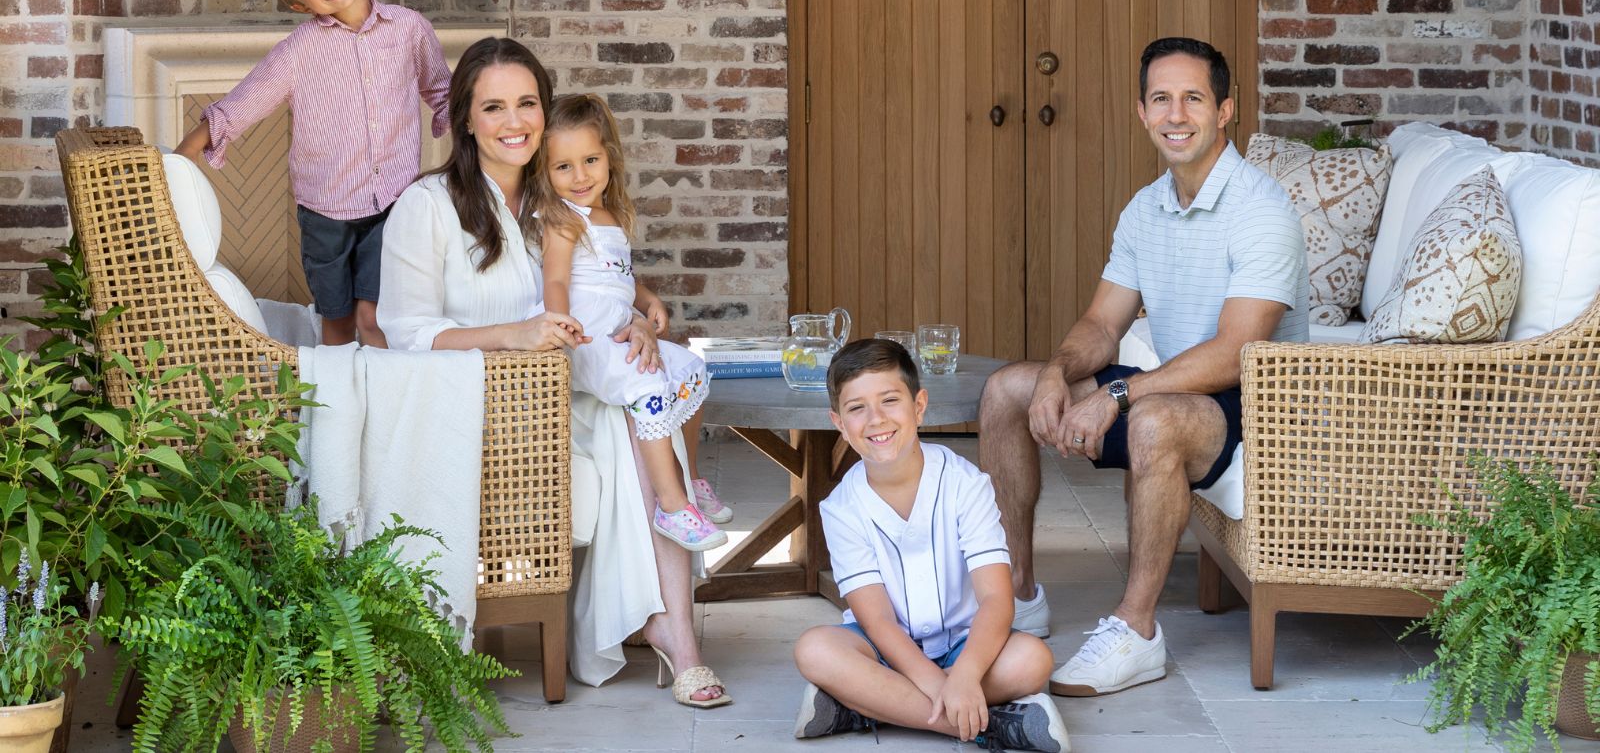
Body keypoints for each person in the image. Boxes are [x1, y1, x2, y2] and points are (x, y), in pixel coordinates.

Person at [378, 36, 730, 708]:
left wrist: (636, 318)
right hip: (482, 412)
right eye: (493, 107)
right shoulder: (426, 206)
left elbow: (604, 277)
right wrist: (513, 335)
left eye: (527, 103)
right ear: (465, 119)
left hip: (572, 395)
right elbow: (404, 336)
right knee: (633, 422)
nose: (514, 122)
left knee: (638, 397)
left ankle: (676, 633)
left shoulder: (560, 198)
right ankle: (669, 629)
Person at [979, 37, 1308, 698]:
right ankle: (1015, 594)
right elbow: (1104, 324)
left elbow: (1235, 349)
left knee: (1152, 419)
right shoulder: (1146, 207)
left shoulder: (1261, 208)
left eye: (1193, 98)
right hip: (1185, 383)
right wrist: (1055, 372)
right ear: (1142, 112)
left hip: (1258, 402)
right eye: (1162, 99)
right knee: (1004, 390)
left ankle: (1136, 632)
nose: (1176, 114)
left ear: (1225, 111)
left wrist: (1118, 396)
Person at [176, 0, 450, 349]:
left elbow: (442, 91)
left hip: (396, 205)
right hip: (325, 214)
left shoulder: (409, 28)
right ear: (302, 5)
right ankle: (339, 404)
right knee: (338, 322)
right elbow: (243, 104)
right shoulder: (298, 51)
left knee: (373, 316)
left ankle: (380, 403)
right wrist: (175, 162)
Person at [792, 339, 1069, 752]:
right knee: (815, 650)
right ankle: (989, 726)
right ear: (838, 423)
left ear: (919, 405)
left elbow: (996, 598)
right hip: (885, 651)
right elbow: (878, 622)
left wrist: (965, 676)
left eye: (890, 400)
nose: (876, 419)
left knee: (1033, 660)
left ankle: (862, 706)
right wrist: (945, 689)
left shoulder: (966, 484)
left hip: (966, 644)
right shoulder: (840, 508)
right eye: (856, 408)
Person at [534, 94, 727, 552]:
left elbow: (618, 276)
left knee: (693, 371)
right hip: (588, 337)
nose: (580, 176)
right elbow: (556, 278)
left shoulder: (610, 214)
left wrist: (647, 298)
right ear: (545, 172)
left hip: (618, 326)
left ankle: (691, 476)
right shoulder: (563, 219)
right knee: (647, 388)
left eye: (590, 160)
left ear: (609, 158)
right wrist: (560, 323)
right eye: (563, 167)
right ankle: (672, 505)